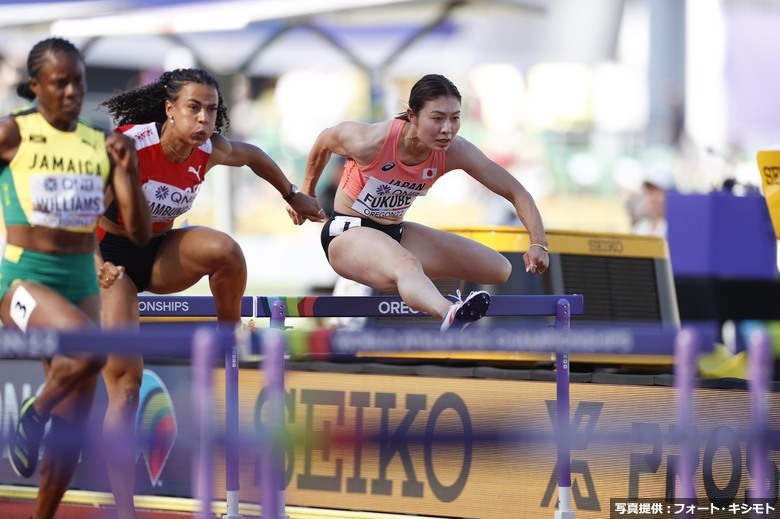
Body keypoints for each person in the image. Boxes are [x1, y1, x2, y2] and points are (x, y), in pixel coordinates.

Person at [96, 67, 325, 518]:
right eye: (193, 108)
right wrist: (96, 265)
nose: (204, 120)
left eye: (212, 110)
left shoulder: (209, 149)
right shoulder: (127, 147)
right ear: (169, 109)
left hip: (160, 250)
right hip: (108, 255)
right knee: (125, 387)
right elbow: (82, 212)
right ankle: (123, 510)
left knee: (225, 250)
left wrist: (293, 193)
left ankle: (229, 338)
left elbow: (254, 155)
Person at [1, 38, 151, 519]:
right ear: (34, 86)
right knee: (92, 348)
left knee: (70, 432)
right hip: (22, 280)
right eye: (59, 82)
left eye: (78, 82)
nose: (71, 92)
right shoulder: (13, 133)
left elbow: (140, 232)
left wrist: (127, 171)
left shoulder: (99, 142)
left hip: (80, 283)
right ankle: (34, 415)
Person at [291, 73, 549, 332]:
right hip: (347, 233)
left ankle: (387, 273)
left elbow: (516, 191)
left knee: (498, 269)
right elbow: (324, 140)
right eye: (437, 118)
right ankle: (448, 313)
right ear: (412, 116)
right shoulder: (370, 140)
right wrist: (306, 193)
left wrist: (538, 242)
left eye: (455, 118)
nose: (447, 129)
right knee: (408, 264)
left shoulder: (454, 151)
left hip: (395, 233)